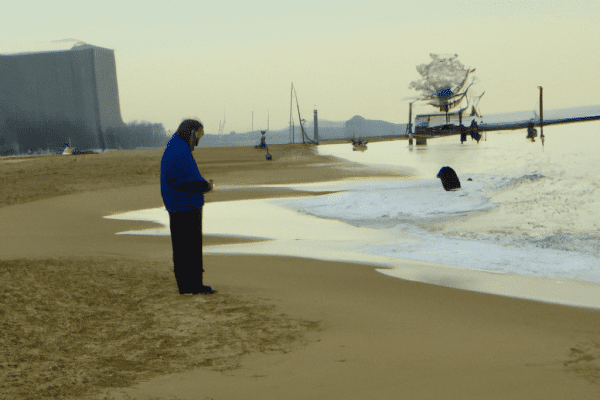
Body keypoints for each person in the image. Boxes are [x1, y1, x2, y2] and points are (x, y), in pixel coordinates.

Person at [160, 119, 215, 295]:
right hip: (183, 207)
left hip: (184, 205)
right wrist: (203, 186)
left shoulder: (178, 147)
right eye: (198, 135)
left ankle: (191, 284)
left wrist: (202, 186)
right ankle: (189, 286)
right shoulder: (177, 150)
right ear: (191, 134)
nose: (198, 140)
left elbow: (185, 178)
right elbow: (180, 181)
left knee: (187, 247)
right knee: (187, 247)